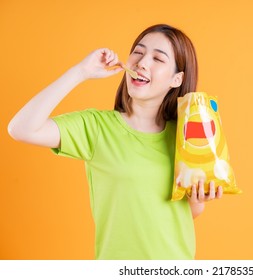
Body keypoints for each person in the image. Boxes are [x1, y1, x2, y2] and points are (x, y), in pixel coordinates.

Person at [8, 24, 223, 260]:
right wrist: (81, 72)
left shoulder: (186, 137)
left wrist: (197, 199)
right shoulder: (97, 128)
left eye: (157, 58)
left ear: (176, 79)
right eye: (138, 52)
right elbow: (21, 128)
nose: (142, 62)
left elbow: (181, 214)